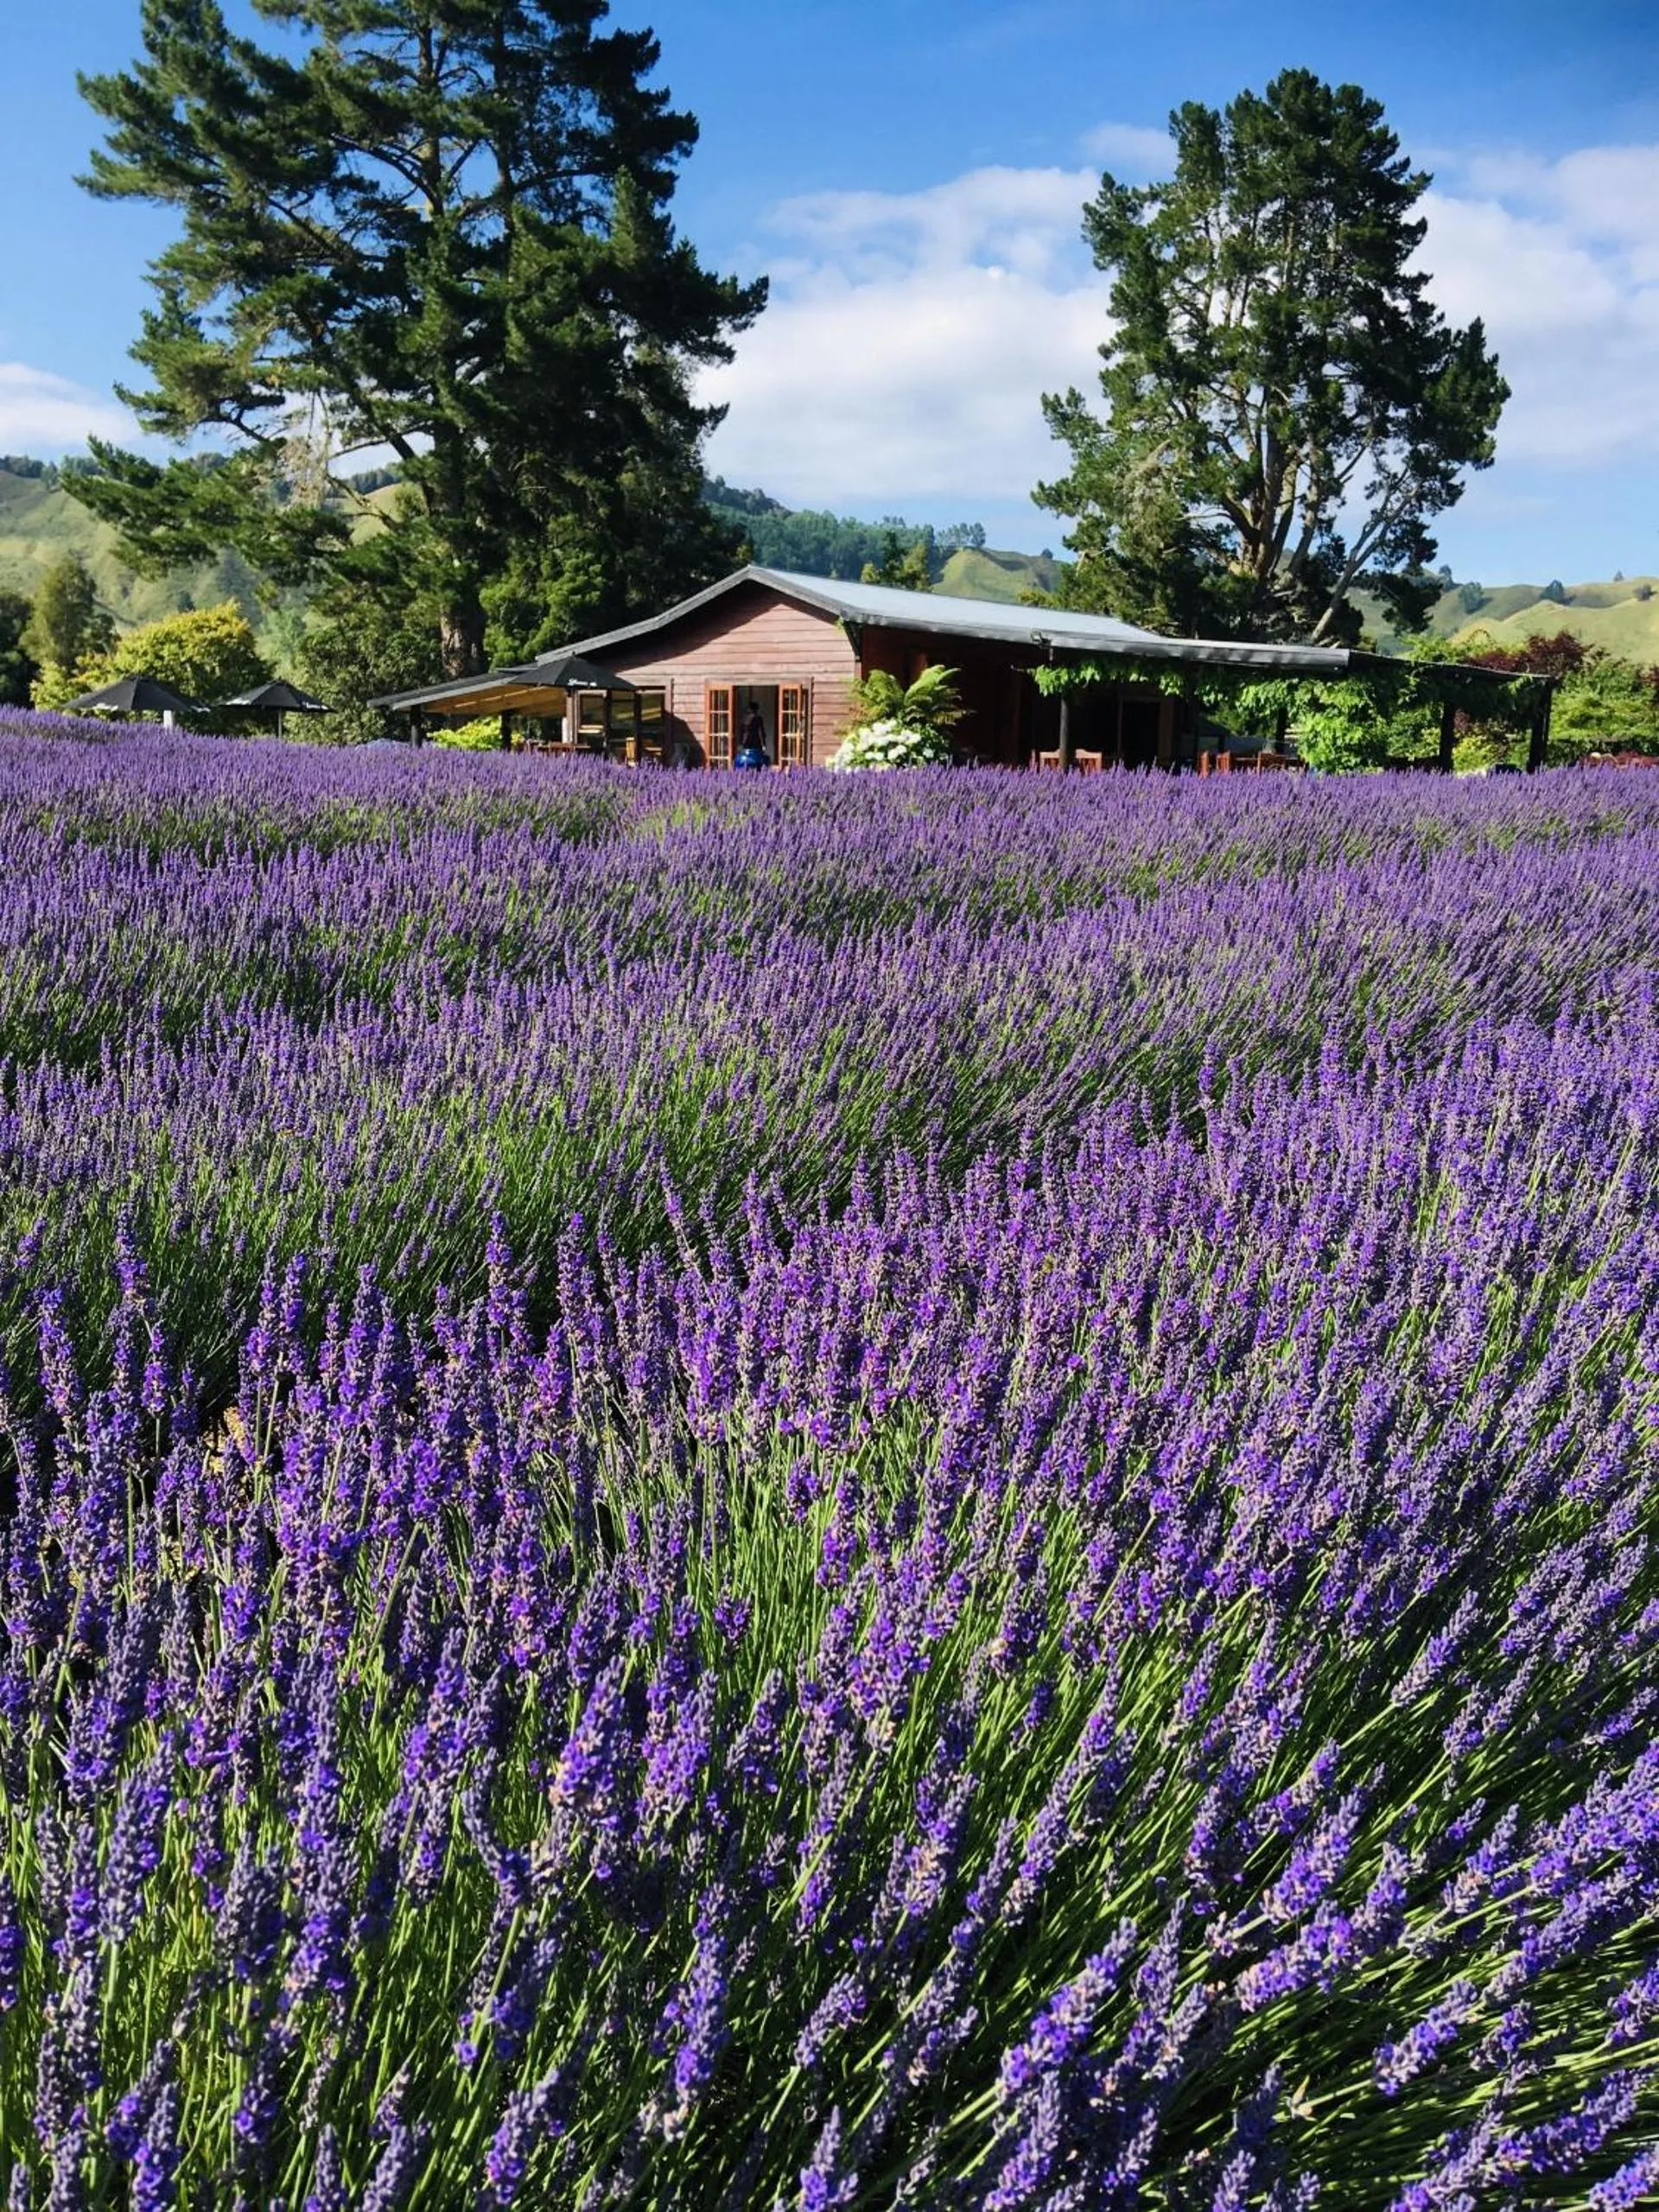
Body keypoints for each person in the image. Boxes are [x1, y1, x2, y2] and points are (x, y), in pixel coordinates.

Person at [735, 700, 769, 771]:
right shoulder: (758, 719)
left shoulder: (744, 718)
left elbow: (741, 731)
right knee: (757, 762)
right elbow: (761, 732)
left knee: (744, 761)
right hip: (756, 743)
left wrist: (740, 743)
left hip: (745, 743)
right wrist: (763, 745)